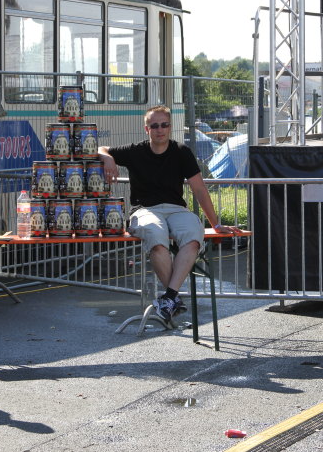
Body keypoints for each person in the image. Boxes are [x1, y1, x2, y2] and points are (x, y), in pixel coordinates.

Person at [98, 105, 236, 323]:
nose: (160, 129)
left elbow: (200, 189)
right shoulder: (135, 151)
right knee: (156, 236)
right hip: (144, 209)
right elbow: (100, 148)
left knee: (193, 235)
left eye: (164, 125)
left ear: (170, 127)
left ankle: (170, 297)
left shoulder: (181, 152)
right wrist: (107, 158)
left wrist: (216, 225)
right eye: (154, 126)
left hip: (176, 209)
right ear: (147, 129)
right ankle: (172, 299)